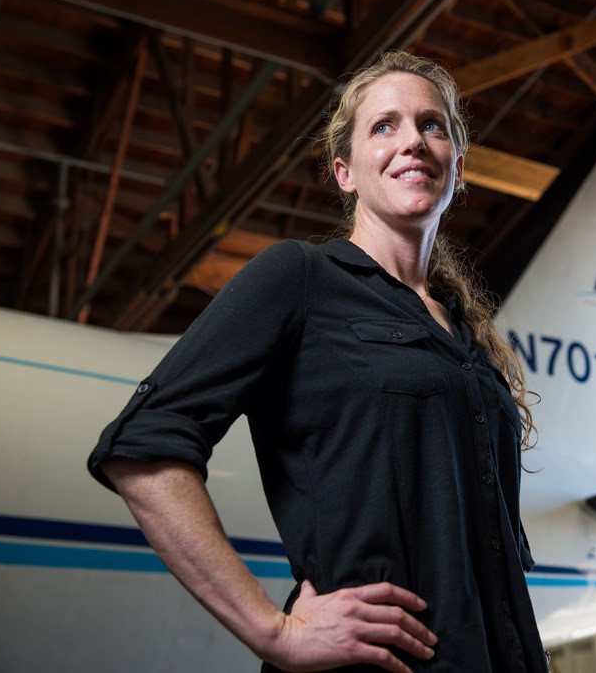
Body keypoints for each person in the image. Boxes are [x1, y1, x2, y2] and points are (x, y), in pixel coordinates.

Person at [87, 50, 548, 671]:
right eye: (384, 126)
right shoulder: (299, 278)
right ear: (345, 172)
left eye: (431, 125)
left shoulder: (465, 332)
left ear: (456, 169)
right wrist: (274, 633)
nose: (412, 139)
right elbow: (143, 448)